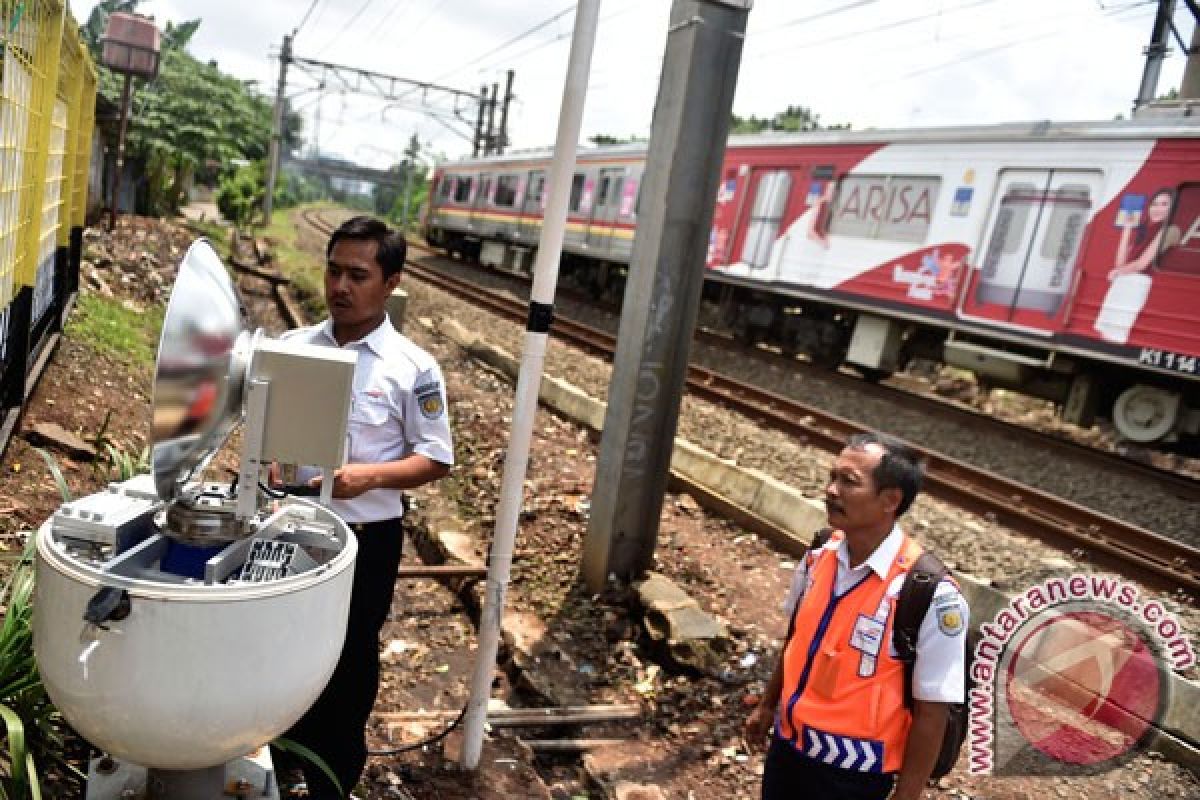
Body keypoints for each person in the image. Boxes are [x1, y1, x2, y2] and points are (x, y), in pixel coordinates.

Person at [274, 215, 454, 798]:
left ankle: (332, 778)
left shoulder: (413, 368)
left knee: (350, 662)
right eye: (333, 271)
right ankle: (276, 765)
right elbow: (266, 434)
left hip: (366, 539)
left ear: (391, 282)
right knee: (280, 650)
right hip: (291, 528)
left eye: (358, 274)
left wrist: (367, 476)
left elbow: (435, 457)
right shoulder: (293, 349)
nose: (340, 287)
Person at [744, 432, 967, 800]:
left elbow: (933, 711)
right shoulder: (820, 553)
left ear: (890, 500)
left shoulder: (929, 594)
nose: (831, 490)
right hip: (788, 749)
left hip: (854, 775)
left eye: (849, 481)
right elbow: (797, 636)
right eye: (832, 477)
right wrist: (768, 706)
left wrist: (907, 795)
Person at [1095, 188, 1180, 344]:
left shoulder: (1171, 230)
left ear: (1173, 208)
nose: (1157, 209)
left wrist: (1117, 272)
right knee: (1106, 332)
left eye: (1164, 204)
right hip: (1123, 282)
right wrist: (1127, 229)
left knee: (1117, 334)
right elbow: (1120, 263)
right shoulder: (1145, 230)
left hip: (1137, 284)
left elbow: (1142, 264)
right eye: (1154, 204)